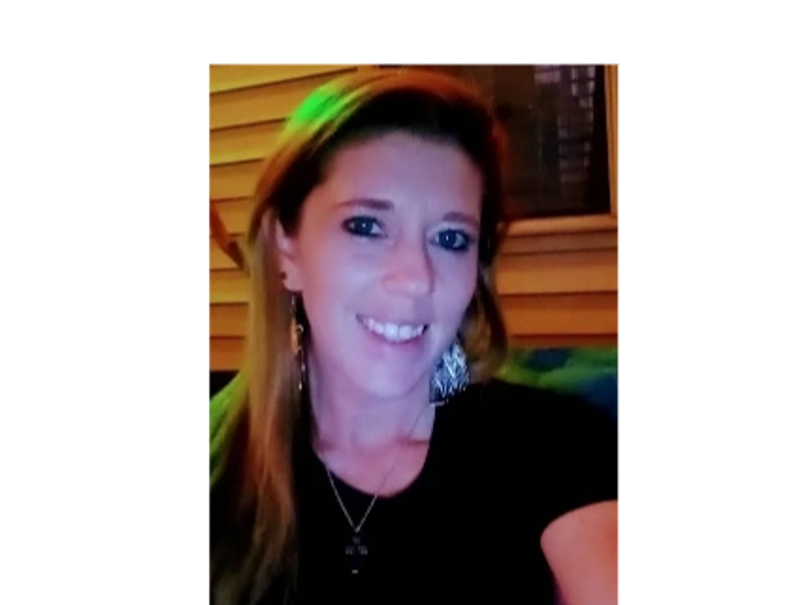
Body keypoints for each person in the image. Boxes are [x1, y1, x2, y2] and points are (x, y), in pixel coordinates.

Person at [206, 68, 621, 605]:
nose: (417, 277)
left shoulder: (556, 447)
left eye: (451, 238)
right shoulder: (222, 473)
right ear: (286, 249)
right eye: (366, 226)